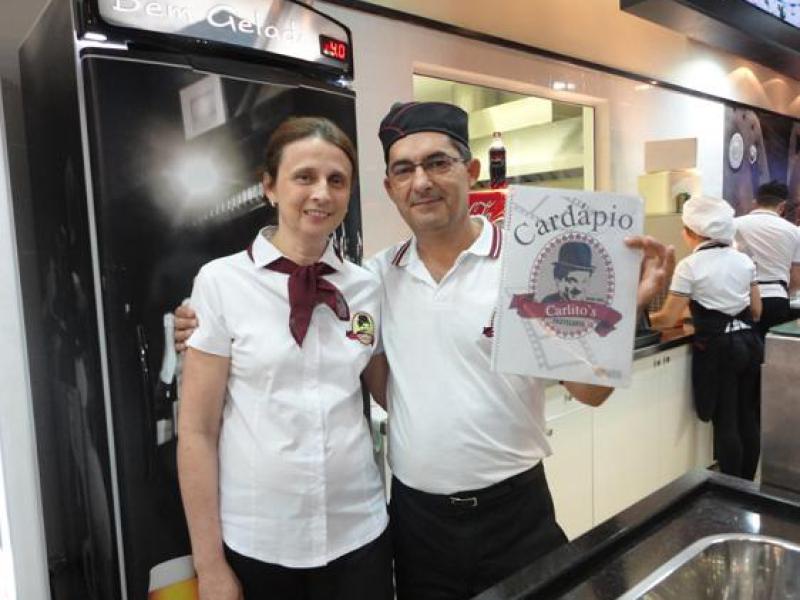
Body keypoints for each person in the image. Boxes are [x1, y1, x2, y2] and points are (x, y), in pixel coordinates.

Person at [176, 101, 674, 600]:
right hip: (416, 523)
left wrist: (621, 312)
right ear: (389, 187)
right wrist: (196, 327)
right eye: (404, 170)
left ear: (471, 171)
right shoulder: (376, 278)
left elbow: (590, 393)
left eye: (438, 163)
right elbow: (381, 387)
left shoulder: (524, 269)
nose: (422, 182)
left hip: (515, 512)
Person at [177, 117, 393, 600]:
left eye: (336, 180)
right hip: (259, 542)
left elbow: (391, 393)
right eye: (304, 177)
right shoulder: (221, 283)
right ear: (270, 187)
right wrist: (209, 566)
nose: (322, 193)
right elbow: (196, 432)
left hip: (359, 532)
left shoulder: (365, 288)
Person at [650, 195, 763, 480]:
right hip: (750, 344)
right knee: (747, 417)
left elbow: (666, 318)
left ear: (691, 232)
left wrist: (634, 319)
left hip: (719, 351)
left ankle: (731, 490)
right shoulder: (743, 260)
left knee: (726, 421)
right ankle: (748, 487)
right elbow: (756, 310)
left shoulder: (690, 265)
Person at [734, 181, 800, 338]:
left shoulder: (734, 225)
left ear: (755, 202)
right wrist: (788, 293)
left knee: (743, 347)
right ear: (782, 206)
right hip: (776, 299)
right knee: (772, 349)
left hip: (741, 298)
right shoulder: (794, 232)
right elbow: (796, 277)